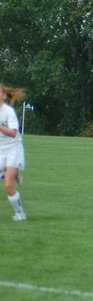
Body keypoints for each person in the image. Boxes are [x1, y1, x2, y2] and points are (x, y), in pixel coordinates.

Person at [0, 83, 27, 221]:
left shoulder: (8, 112)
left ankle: (20, 214)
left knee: (8, 185)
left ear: (4, 95)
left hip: (13, 148)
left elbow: (13, 133)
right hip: (0, 150)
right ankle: (12, 171)